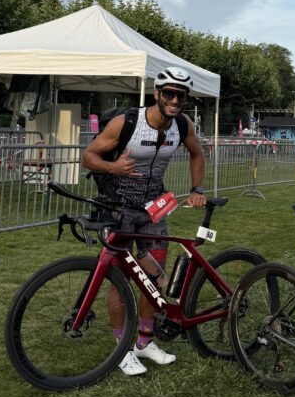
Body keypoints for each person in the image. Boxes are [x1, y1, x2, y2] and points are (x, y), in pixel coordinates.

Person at [82, 68, 206, 377]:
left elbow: (197, 153)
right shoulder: (128, 122)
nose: (175, 100)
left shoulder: (182, 124)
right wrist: (113, 168)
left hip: (154, 208)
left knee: (153, 275)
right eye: (170, 93)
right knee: (119, 277)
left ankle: (145, 340)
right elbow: (89, 156)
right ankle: (121, 348)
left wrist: (197, 189)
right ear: (157, 94)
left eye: (181, 96)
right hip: (120, 208)